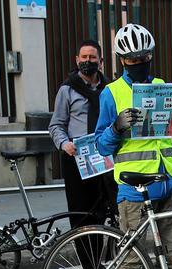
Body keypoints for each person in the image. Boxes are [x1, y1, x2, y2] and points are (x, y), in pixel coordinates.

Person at [94, 23, 172, 269]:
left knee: (168, 260)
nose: (139, 62)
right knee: (132, 262)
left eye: (144, 57)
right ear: (122, 60)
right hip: (135, 190)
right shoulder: (111, 93)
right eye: (133, 59)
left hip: (167, 183)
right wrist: (117, 127)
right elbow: (101, 146)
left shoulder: (162, 86)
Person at [50, 39, 117, 229]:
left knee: (109, 213)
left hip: (105, 160)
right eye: (84, 57)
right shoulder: (67, 90)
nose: (88, 61)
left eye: (92, 57)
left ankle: (107, 258)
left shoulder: (110, 90)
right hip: (77, 160)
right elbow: (56, 125)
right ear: (77, 60)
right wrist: (64, 144)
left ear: (101, 61)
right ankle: (88, 259)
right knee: (81, 215)